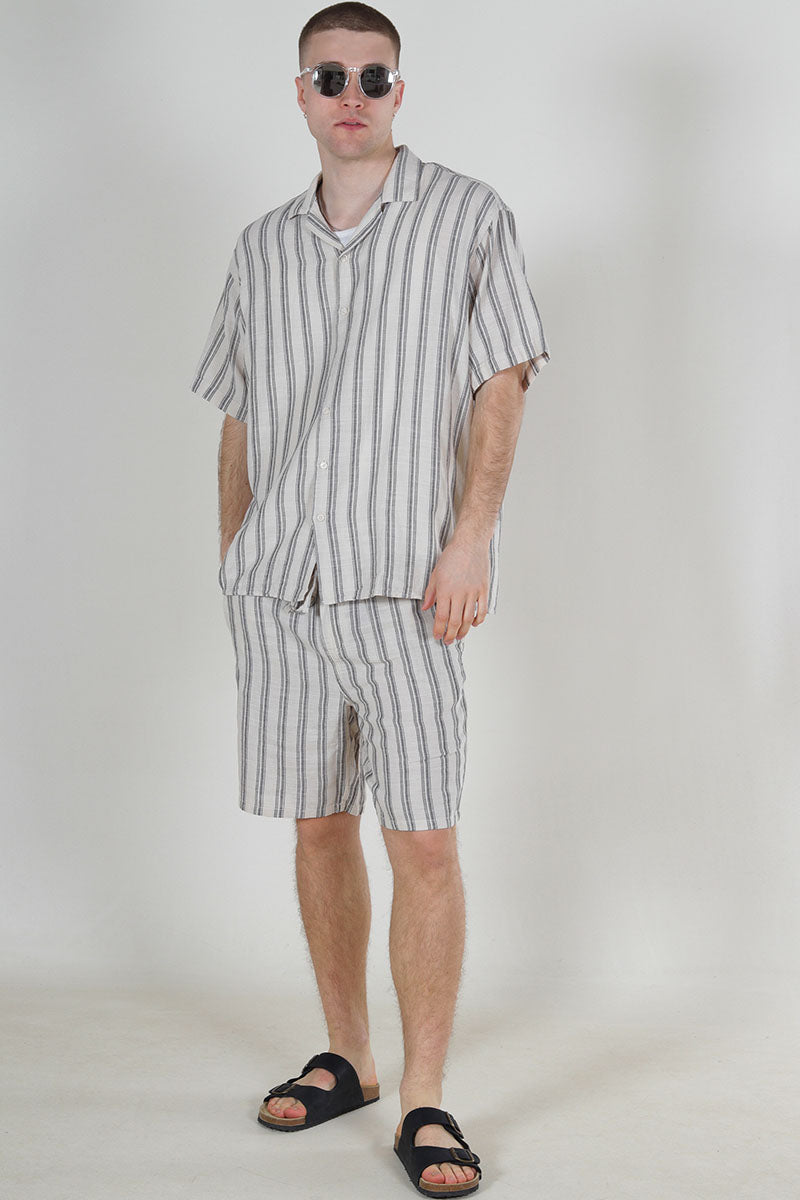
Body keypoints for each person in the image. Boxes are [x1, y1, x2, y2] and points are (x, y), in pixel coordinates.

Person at [189, 4, 550, 1194]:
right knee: (316, 826)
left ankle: (427, 1098)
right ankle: (348, 1056)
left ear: (400, 90)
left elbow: (501, 380)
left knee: (424, 839)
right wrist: (236, 554)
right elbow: (239, 413)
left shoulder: (466, 216)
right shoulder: (260, 247)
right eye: (329, 75)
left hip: (406, 584)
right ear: (299, 92)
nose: (352, 93)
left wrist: (470, 541)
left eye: (373, 76)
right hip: (281, 592)